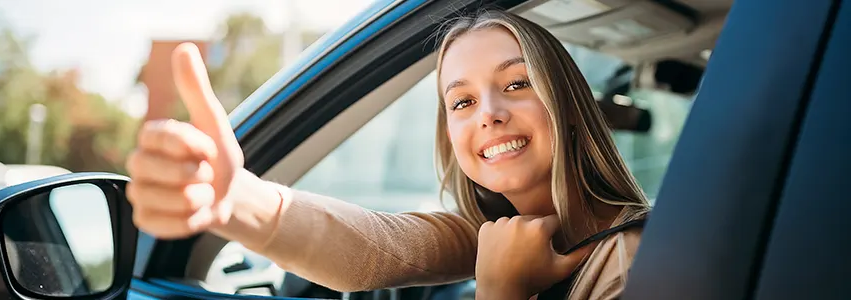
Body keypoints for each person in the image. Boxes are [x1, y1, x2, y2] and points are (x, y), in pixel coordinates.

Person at [124, 9, 651, 300]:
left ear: (570, 103)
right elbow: (375, 250)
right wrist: (237, 199)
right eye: (461, 101)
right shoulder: (491, 232)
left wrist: (501, 293)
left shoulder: (634, 263)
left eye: (516, 83)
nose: (487, 113)